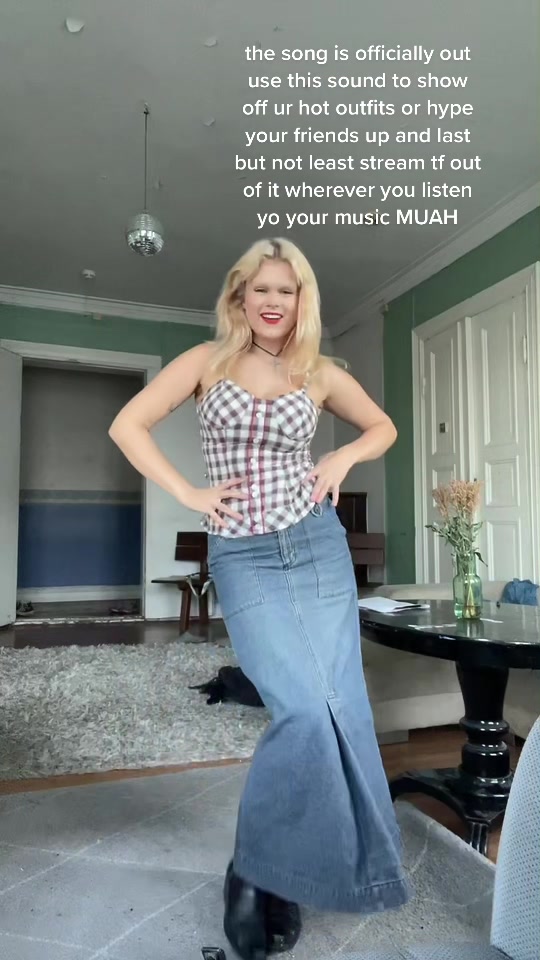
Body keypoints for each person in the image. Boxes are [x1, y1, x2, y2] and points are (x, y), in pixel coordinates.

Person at [108, 238, 410, 959]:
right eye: (262, 289)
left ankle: (281, 876)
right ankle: (252, 871)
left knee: (339, 708)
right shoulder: (204, 363)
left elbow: (384, 427)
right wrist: (188, 493)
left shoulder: (319, 371)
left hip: (316, 545)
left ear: (303, 299)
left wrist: (343, 454)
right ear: (239, 296)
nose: (274, 302)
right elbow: (127, 425)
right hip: (243, 552)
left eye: (288, 290)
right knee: (300, 709)